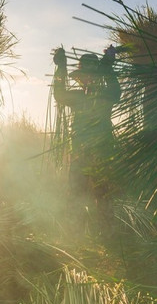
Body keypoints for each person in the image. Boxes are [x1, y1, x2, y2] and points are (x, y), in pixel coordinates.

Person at [52, 46, 122, 227]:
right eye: (83, 77)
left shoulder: (106, 94)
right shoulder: (77, 96)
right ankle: (76, 234)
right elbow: (59, 95)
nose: (86, 79)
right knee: (76, 194)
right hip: (79, 153)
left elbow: (117, 93)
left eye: (91, 75)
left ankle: (107, 234)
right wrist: (61, 68)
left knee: (103, 195)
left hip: (102, 153)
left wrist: (107, 68)